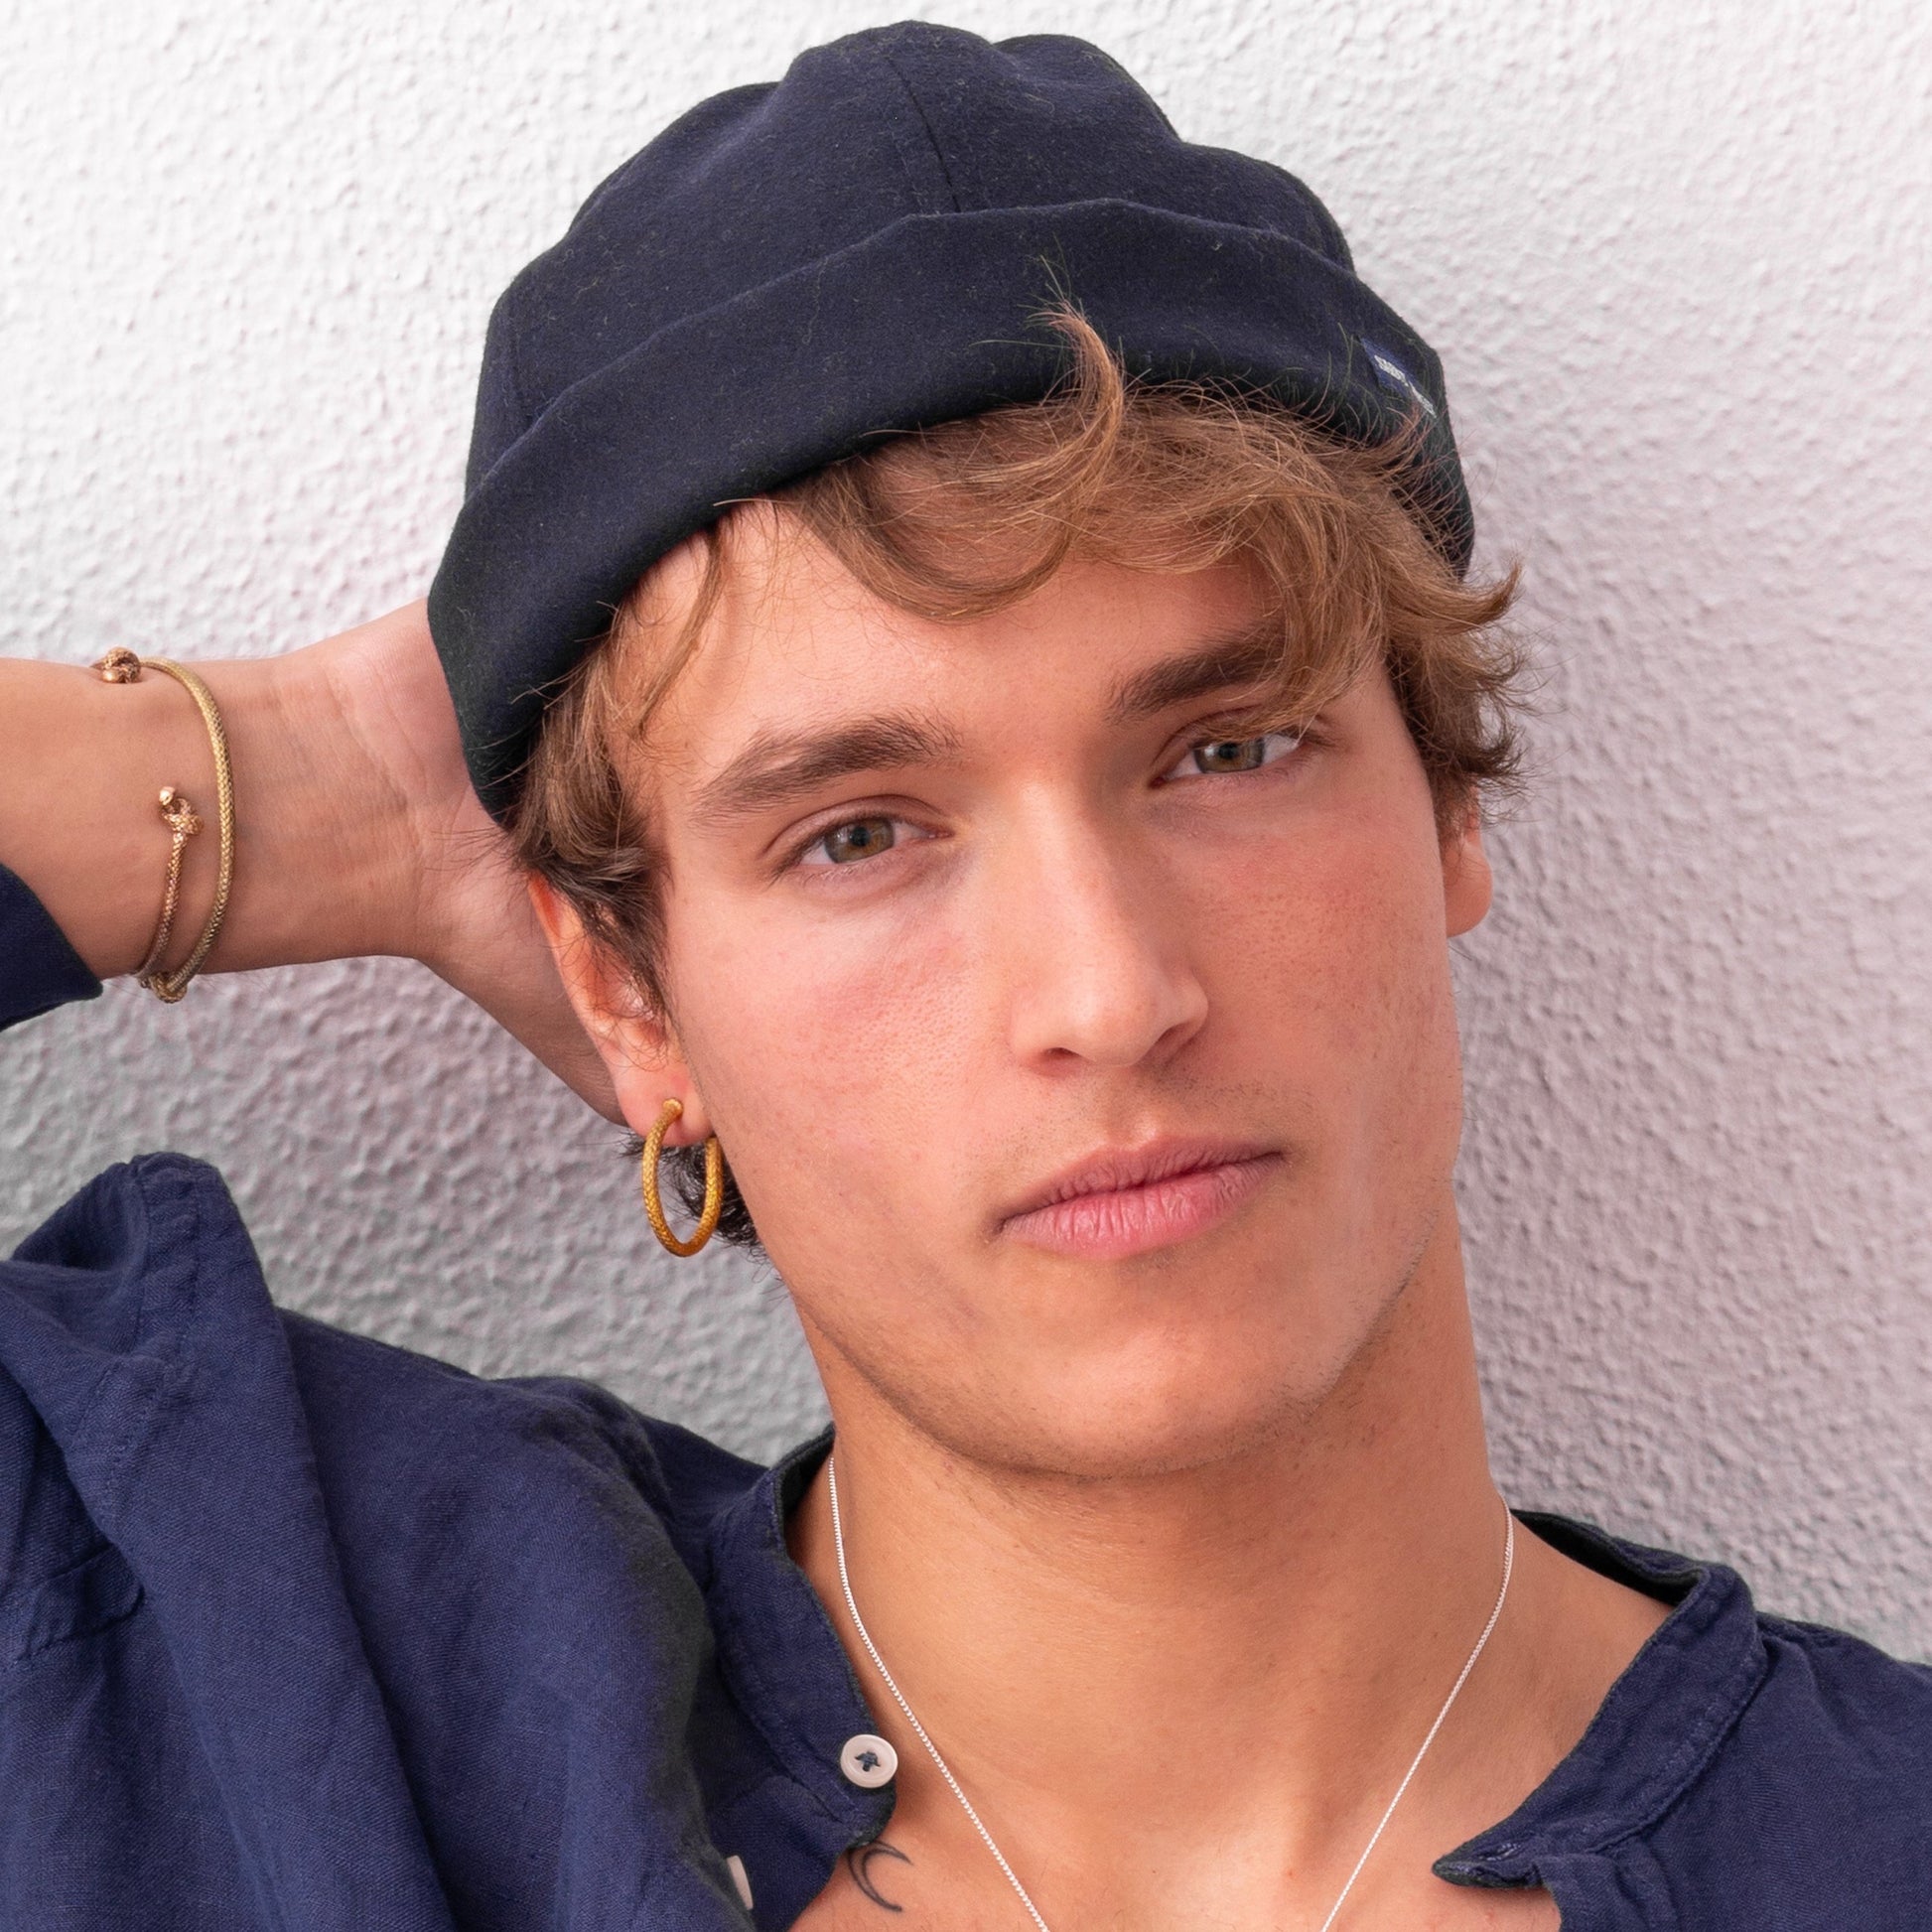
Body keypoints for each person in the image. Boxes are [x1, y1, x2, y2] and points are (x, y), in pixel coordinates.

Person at [0, 22, 1925, 1932]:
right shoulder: (229, 1648)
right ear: (629, 998)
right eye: (855, 831)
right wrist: (309, 784)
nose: (1104, 990)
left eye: (1223, 748)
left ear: (1442, 814)